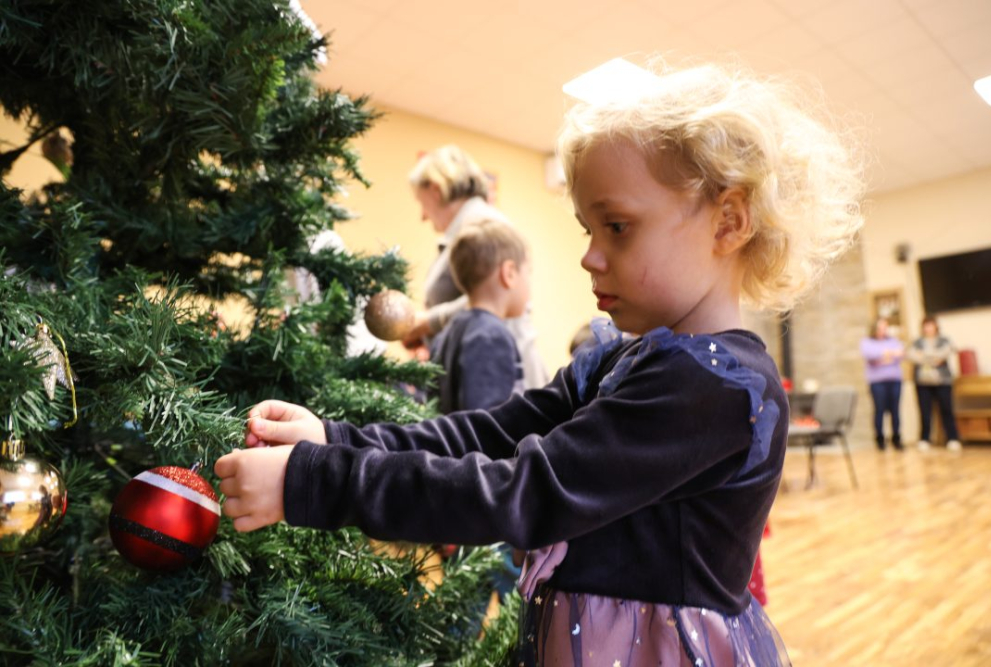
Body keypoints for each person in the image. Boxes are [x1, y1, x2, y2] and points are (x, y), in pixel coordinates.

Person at [216, 61, 865, 666]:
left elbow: (527, 491)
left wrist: (316, 481)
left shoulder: (714, 387)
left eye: (617, 227)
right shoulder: (623, 355)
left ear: (728, 222)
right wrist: (334, 438)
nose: (588, 256)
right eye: (587, 229)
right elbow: (490, 429)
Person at [402, 145, 548, 389]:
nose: (423, 216)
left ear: (436, 190)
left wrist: (426, 322)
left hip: (496, 378)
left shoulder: (483, 226)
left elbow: (493, 298)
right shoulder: (469, 228)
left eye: (421, 202)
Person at [430, 219, 530, 415]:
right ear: (509, 273)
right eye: (529, 272)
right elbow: (489, 424)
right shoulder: (491, 337)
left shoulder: (447, 333)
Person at [908, 315, 962, 451]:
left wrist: (924, 356)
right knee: (925, 412)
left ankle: (952, 438)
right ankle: (925, 439)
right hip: (923, 382)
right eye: (926, 325)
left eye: (931, 325)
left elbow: (945, 353)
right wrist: (933, 358)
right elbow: (912, 355)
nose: (929, 328)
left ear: (936, 326)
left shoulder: (944, 340)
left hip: (943, 381)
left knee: (946, 410)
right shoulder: (917, 342)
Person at [860, 317, 905, 450]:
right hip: (877, 382)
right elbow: (870, 355)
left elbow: (901, 354)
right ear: (874, 329)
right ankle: (880, 439)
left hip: (895, 380)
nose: (883, 330)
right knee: (879, 410)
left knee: (895, 411)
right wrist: (889, 354)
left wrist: (883, 356)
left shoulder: (893, 340)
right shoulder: (867, 342)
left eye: (885, 328)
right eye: (880, 328)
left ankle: (896, 438)